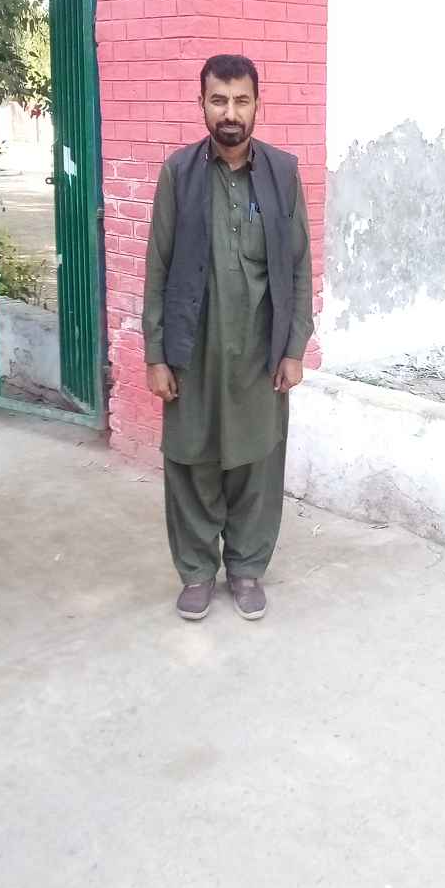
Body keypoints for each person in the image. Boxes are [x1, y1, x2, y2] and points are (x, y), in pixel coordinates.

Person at [142, 53, 313, 622]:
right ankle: (196, 571)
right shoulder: (179, 174)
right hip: (193, 350)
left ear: (258, 105)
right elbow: (158, 267)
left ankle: (246, 568)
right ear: (202, 104)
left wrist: (294, 348)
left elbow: (299, 265)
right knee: (191, 460)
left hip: (260, 351)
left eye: (241, 100)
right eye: (219, 100)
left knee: (256, 462)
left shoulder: (283, 173)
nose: (230, 112)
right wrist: (156, 353)